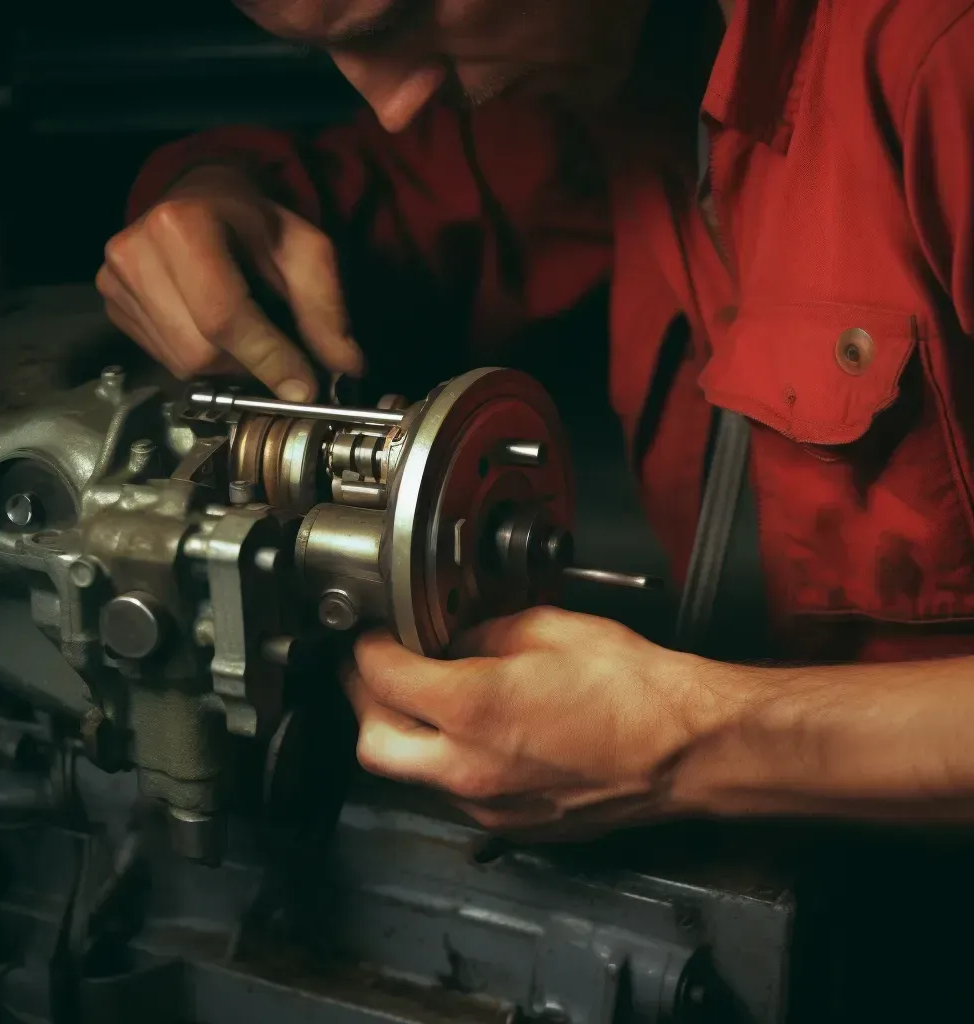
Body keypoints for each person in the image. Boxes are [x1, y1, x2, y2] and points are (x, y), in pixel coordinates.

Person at [97, 0, 974, 839]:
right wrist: (208, 199)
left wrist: (690, 746)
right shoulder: (622, 64)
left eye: (401, 16)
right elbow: (370, 194)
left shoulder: (943, 60)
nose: (395, 106)